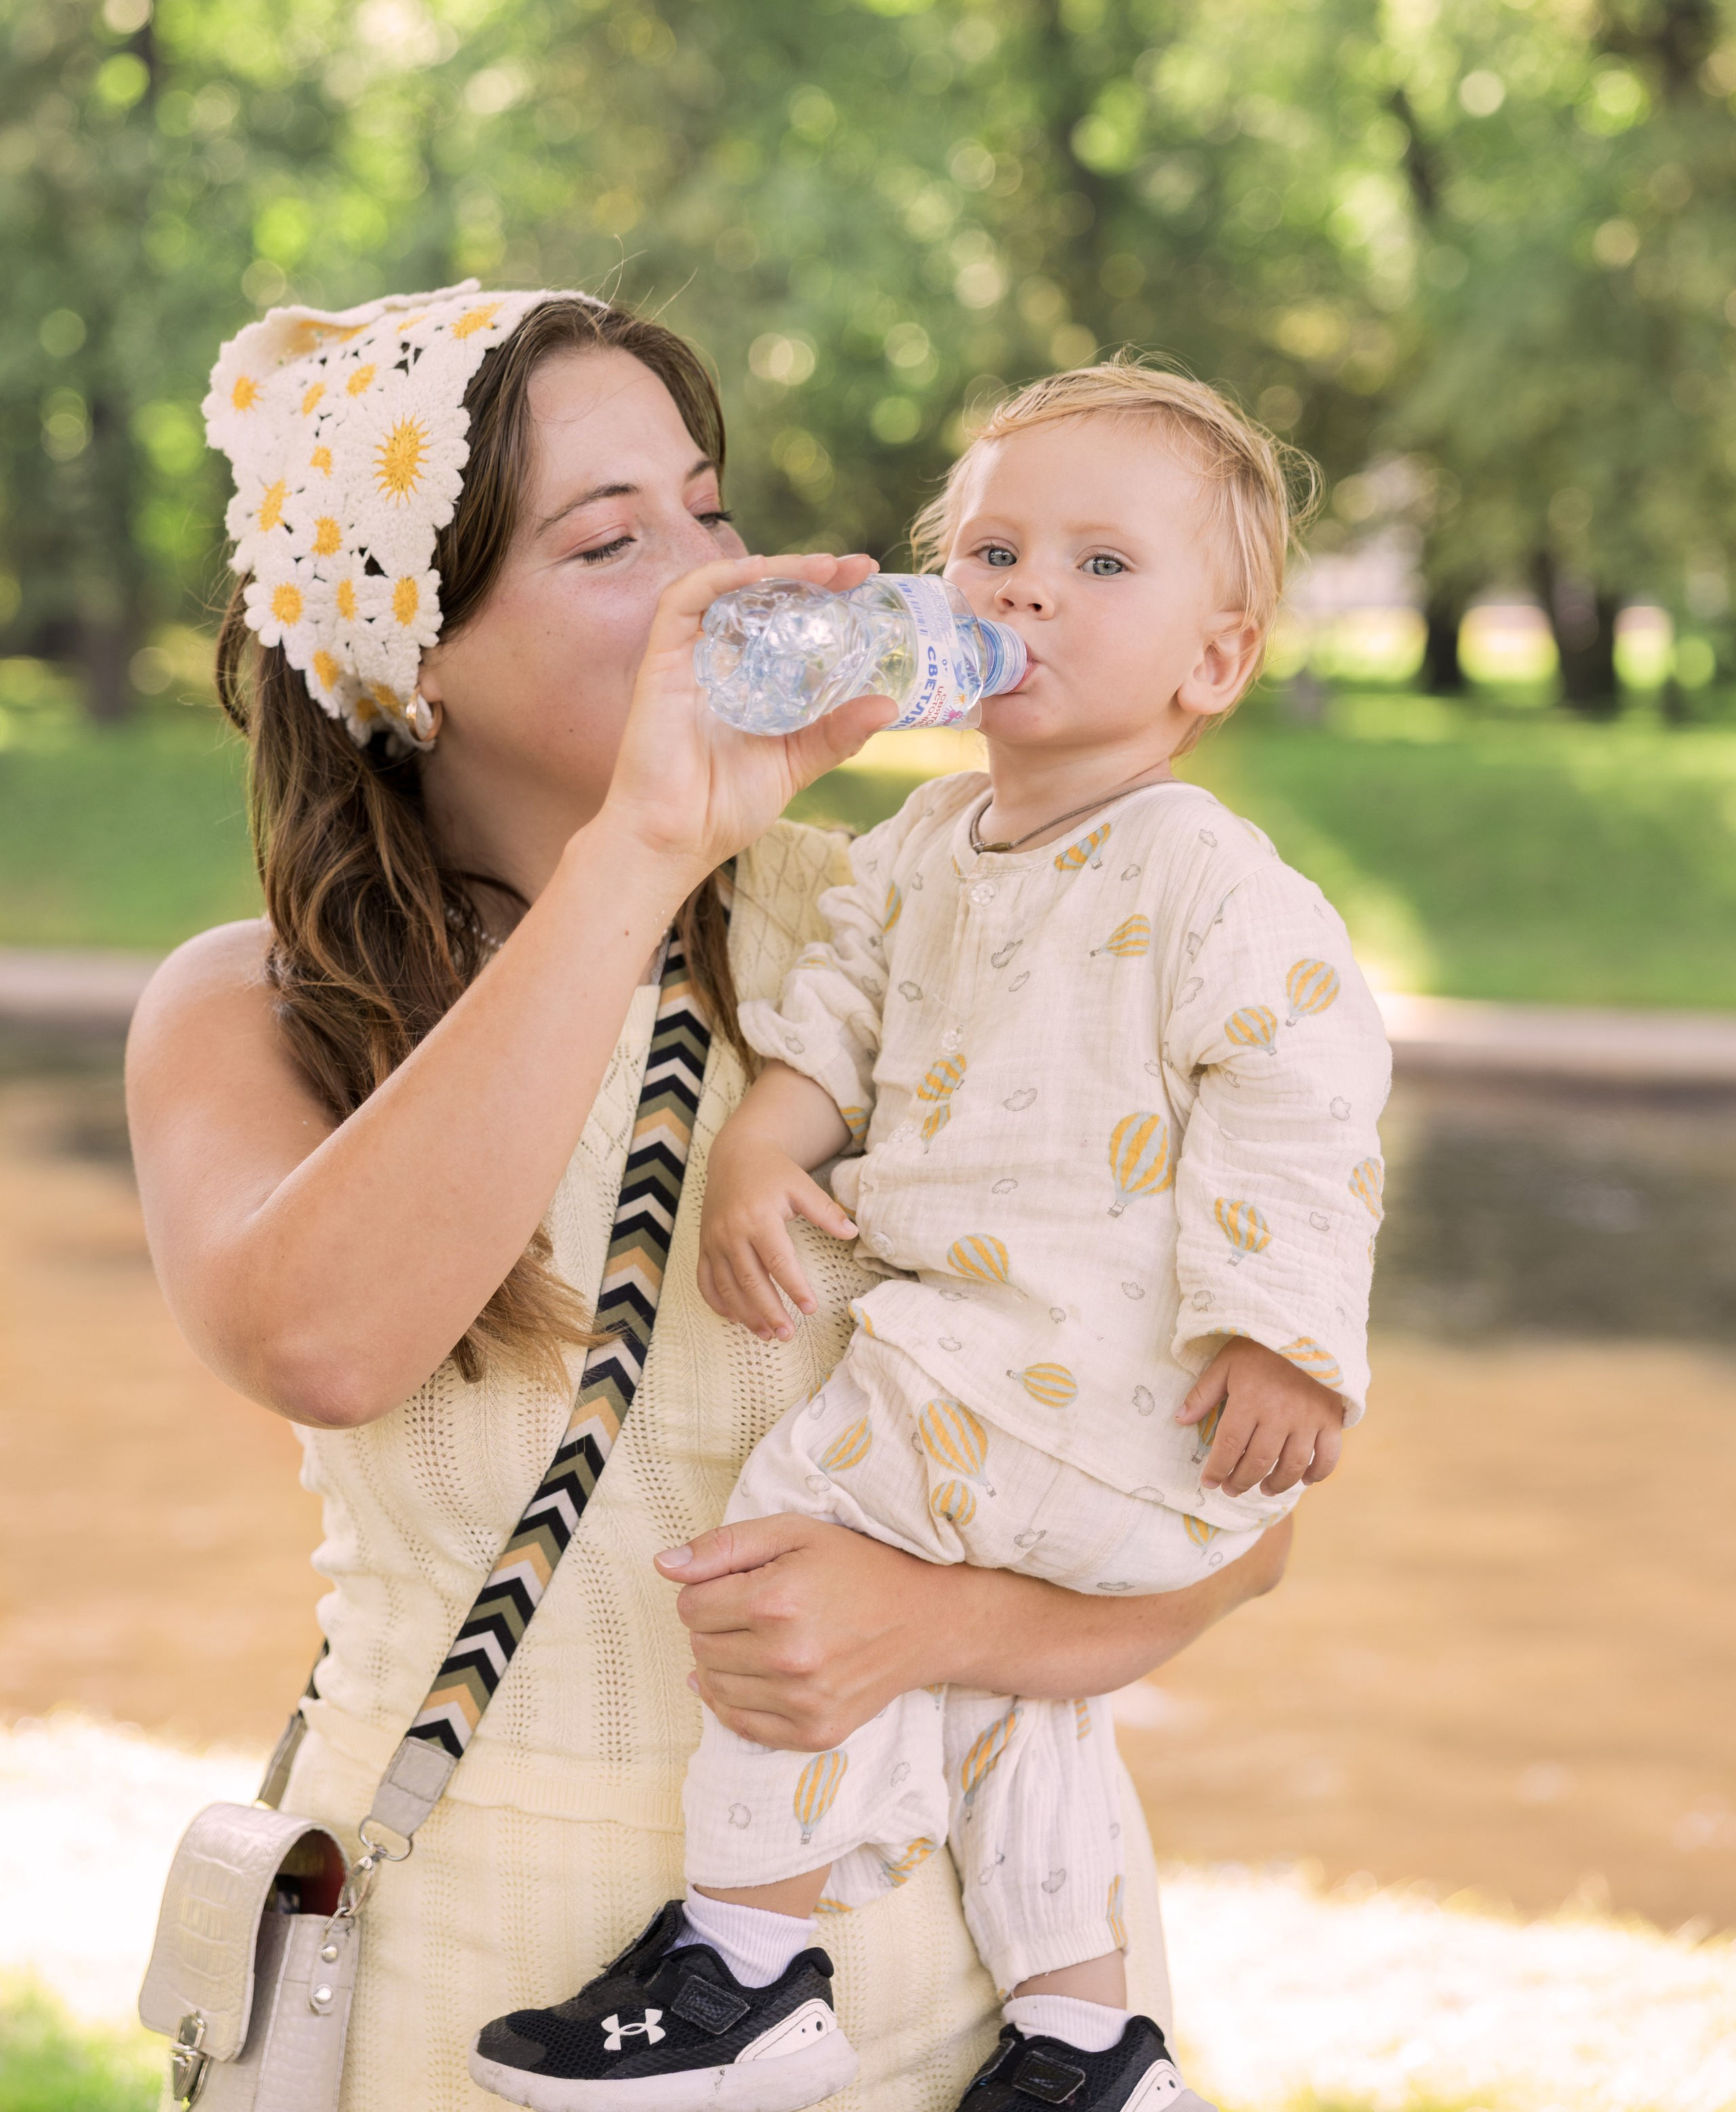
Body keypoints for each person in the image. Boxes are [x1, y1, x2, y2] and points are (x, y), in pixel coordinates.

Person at [128, 288, 1293, 2112]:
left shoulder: (914, 927)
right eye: (608, 542)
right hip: (471, 1991)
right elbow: (326, 1343)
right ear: (409, 650)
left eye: (709, 508)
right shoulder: (256, 1009)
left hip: (953, 2001)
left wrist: (946, 1628)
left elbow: (1237, 1498)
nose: (712, 578)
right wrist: (645, 852)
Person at [470, 361, 1389, 2112]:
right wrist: (763, 1144)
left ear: (1214, 661)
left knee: (790, 1531)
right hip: (1017, 1395)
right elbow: (836, 1012)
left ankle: (746, 1966)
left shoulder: (1207, 876)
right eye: (992, 553)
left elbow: (1305, 1088)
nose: (1028, 591)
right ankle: (1089, 2040)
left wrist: (1281, 1335)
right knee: (1012, 1703)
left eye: (1100, 565)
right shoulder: (922, 844)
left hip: (1104, 1378)